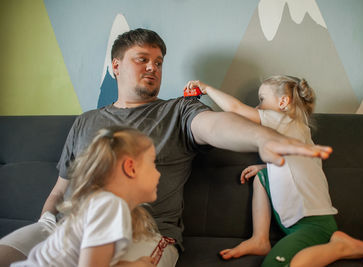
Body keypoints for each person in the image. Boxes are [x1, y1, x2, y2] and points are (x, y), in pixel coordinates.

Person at [0, 29, 332, 266]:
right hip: (63, 225)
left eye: (158, 63)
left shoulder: (178, 110)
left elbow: (215, 126)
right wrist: (46, 222)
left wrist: (263, 137)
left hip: (143, 232)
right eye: (142, 59)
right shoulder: (86, 121)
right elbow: (61, 189)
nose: (152, 68)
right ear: (115, 66)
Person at [184, 76, 363, 267]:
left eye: (262, 100)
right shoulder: (298, 131)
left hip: (311, 223)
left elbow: (236, 109)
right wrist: (267, 168)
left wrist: (206, 88)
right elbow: (301, 167)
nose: (258, 106)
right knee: (261, 178)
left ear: (283, 102)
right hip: (300, 224)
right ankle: (260, 239)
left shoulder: (283, 121)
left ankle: (340, 248)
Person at [12, 126, 162, 266]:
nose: (158, 173)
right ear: (131, 168)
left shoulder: (105, 204)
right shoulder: (109, 205)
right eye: (153, 163)